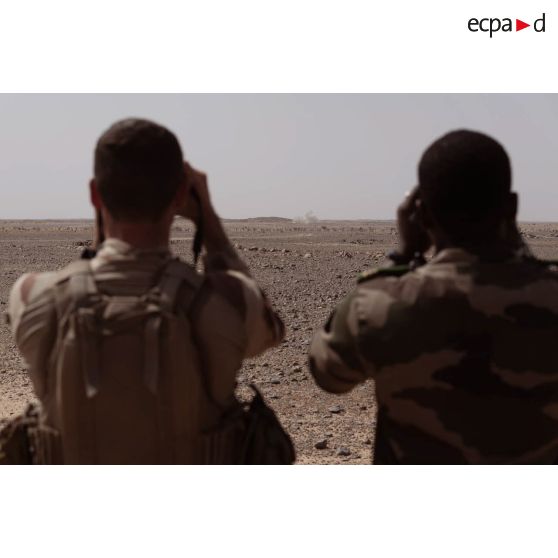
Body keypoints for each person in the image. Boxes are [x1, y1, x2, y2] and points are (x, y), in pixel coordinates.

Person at [7, 118, 285, 464]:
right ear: (182, 195)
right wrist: (209, 223)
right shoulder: (225, 305)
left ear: (95, 195)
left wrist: (100, 236)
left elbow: (95, 276)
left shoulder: (33, 296)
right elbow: (269, 327)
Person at [308, 129, 558, 464]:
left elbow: (328, 376)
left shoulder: (381, 306)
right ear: (511, 208)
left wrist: (399, 256)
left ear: (422, 215)